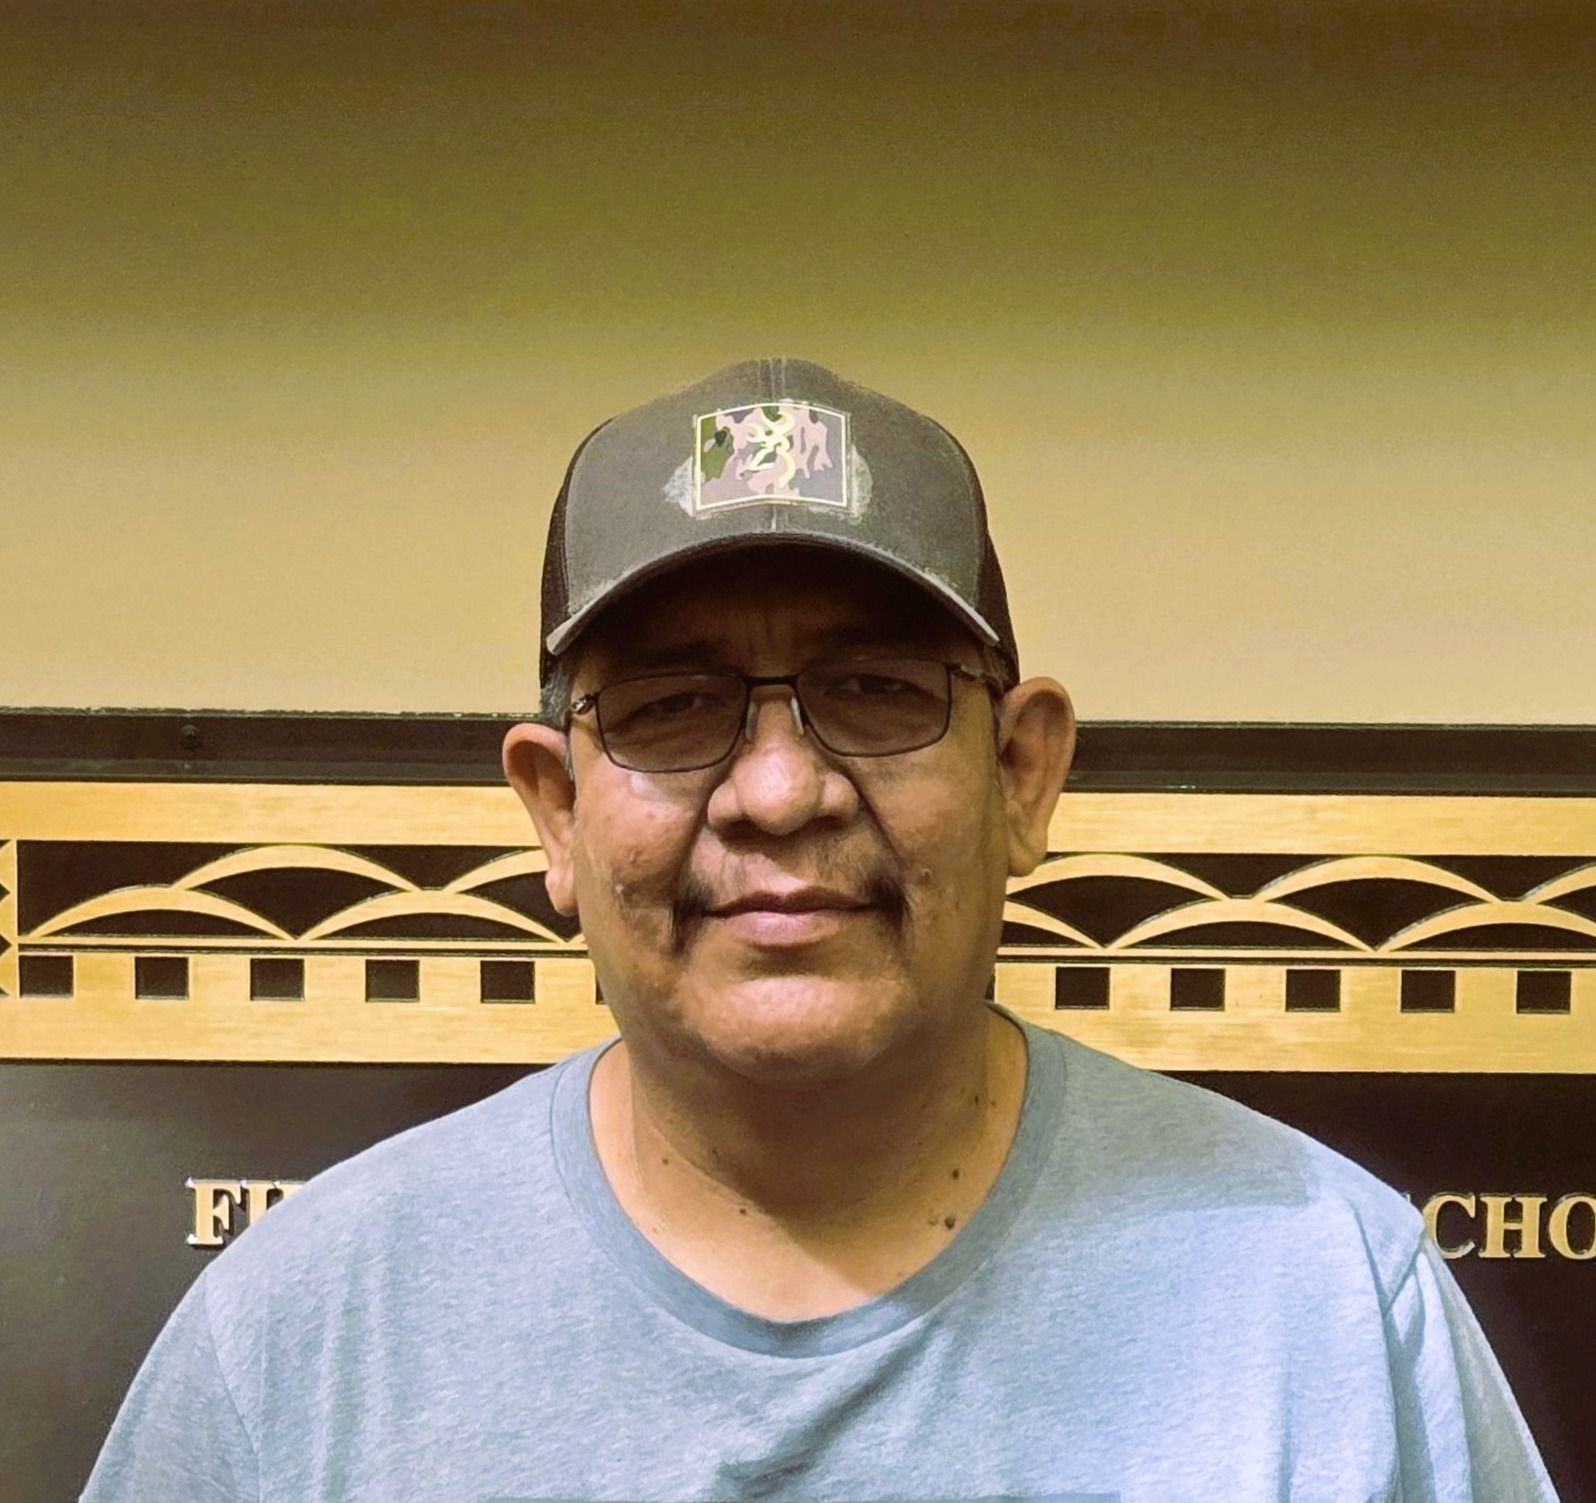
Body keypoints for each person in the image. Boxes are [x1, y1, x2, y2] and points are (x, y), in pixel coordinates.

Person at [83, 358, 1558, 1502]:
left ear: (1022, 775)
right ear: (557, 812)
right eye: (671, 707)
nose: (781, 792)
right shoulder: (297, 1343)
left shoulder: (1325, 1300)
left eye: (878, 692)